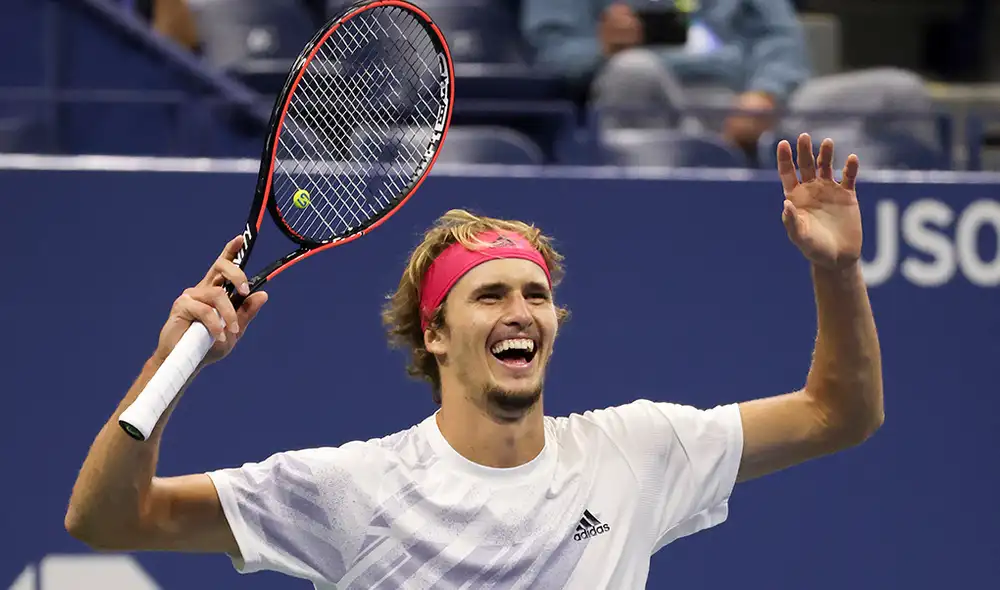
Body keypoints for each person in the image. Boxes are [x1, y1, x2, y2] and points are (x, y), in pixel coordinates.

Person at [65, 133, 884, 589]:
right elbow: (106, 520)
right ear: (435, 334)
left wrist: (837, 268)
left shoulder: (637, 452)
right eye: (489, 295)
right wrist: (166, 369)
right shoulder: (350, 489)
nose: (521, 310)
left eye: (535, 294)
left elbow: (836, 413)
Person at [521, 0, 932, 157]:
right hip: (662, 103)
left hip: (755, 103)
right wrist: (603, 49)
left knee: (898, 93)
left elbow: (782, 38)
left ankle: (867, 256)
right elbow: (553, 58)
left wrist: (765, 93)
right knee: (632, 71)